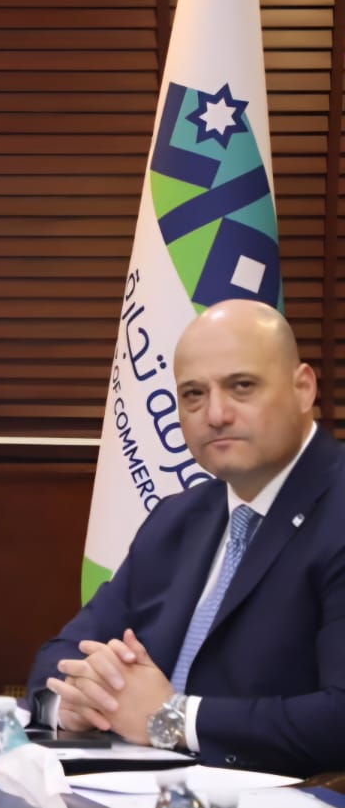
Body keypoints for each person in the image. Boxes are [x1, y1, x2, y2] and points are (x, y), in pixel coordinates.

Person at [28, 298, 345, 777]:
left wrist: (173, 719)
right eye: (193, 394)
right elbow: (59, 656)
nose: (215, 414)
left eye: (242, 386)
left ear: (303, 389)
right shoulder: (177, 518)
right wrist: (72, 705)